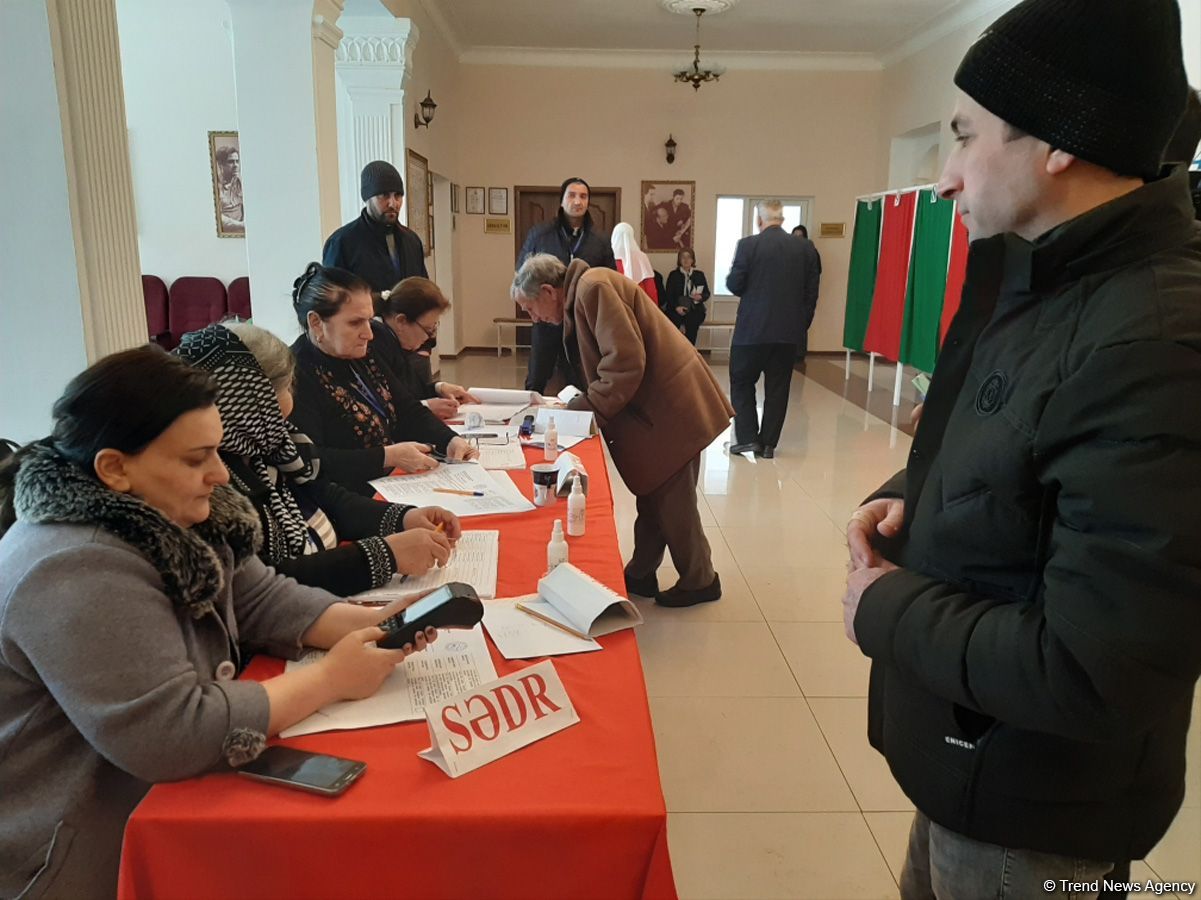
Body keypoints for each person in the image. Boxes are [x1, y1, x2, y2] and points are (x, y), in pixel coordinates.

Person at [841, 1, 1201, 897]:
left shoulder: (1149, 340)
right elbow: (1013, 449)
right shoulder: (1038, 274)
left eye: (964, 137)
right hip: (972, 758)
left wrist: (879, 610)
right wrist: (910, 496)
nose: (946, 178)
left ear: (1058, 144)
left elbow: (1095, 666)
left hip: (1037, 806)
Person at [0, 348, 438, 898]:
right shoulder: (73, 564)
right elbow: (172, 733)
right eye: (196, 458)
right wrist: (329, 679)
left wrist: (374, 621)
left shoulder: (163, 510)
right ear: (114, 467)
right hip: (75, 854)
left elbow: (261, 598)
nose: (221, 474)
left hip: (144, 809)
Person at [512, 253, 733, 608]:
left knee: (673, 499)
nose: (533, 317)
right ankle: (642, 572)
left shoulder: (593, 288)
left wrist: (585, 410)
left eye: (530, 308)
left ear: (549, 291)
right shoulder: (585, 290)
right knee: (654, 492)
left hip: (670, 408)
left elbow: (624, 361)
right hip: (660, 408)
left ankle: (700, 580)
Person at [177, 322, 460, 596]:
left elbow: (324, 495)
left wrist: (404, 518)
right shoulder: (216, 481)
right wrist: (385, 555)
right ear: (256, 400)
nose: (293, 397)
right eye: (287, 388)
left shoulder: (268, 446)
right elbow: (265, 586)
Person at [287, 263, 477, 496]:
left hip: (392, 484)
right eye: (355, 323)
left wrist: (450, 440)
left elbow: (407, 408)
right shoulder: (297, 374)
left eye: (369, 320)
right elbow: (311, 461)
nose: (368, 333)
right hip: (347, 500)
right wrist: (387, 456)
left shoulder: (363, 354)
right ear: (316, 322)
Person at [725, 200, 820, 458]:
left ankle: (747, 438)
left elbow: (735, 284)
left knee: (742, 382)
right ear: (783, 219)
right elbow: (811, 293)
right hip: (788, 333)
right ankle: (768, 444)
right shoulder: (805, 248)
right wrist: (801, 325)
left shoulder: (748, 246)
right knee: (779, 388)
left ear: (759, 220)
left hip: (751, 332)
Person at [516, 177, 616, 394]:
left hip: (582, 323)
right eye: (571, 195)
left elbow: (610, 279)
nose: (577, 201)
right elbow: (522, 274)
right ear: (561, 201)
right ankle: (530, 420)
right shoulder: (540, 234)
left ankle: (581, 421)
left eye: (583, 196)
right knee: (537, 379)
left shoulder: (600, 240)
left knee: (582, 378)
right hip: (547, 321)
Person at [373, 277, 479, 420]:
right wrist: (426, 407)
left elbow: (410, 391)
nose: (428, 338)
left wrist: (439, 388)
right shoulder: (376, 342)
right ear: (401, 321)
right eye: (428, 329)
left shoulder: (392, 340)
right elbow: (385, 406)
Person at [323, 160, 427, 300]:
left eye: (397, 195)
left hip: (409, 321)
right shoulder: (341, 243)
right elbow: (333, 300)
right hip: (367, 320)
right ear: (367, 198)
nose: (393, 203)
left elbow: (423, 289)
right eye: (384, 195)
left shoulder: (412, 240)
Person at [663, 248, 711, 345]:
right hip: (676, 308)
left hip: (694, 308)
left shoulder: (699, 275)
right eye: (683, 257)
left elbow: (707, 293)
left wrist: (700, 297)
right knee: (674, 319)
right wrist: (677, 307)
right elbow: (668, 295)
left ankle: (690, 351)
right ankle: (678, 352)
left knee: (692, 321)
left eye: (688, 257)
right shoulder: (673, 275)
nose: (686, 260)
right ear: (679, 260)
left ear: (693, 260)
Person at [610, 222, 659, 303]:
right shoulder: (641, 257)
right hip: (639, 302)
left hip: (615, 303)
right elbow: (650, 289)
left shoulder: (609, 256)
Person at [215, 145, 244, 233]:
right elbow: (217, 217)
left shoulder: (241, 181)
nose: (236, 165)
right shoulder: (216, 187)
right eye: (231, 162)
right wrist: (241, 225)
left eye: (237, 161)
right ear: (221, 165)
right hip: (227, 232)